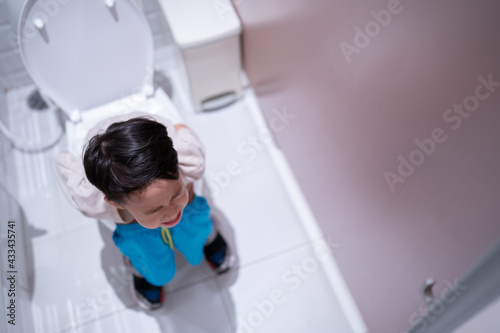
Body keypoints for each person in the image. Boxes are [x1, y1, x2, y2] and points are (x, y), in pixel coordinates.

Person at [55, 111, 235, 310]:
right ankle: (140, 266)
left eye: (175, 195)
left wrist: (179, 126)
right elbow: (63, 164)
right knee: (150, 258)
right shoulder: (90, 199)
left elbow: (186, 134)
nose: (171, 212)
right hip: (116, 173)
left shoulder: (189, 160)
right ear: (116, 203)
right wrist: (68, 158)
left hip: (149, 135)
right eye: (155, 209)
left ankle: (205, 235)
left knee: (194, 225)